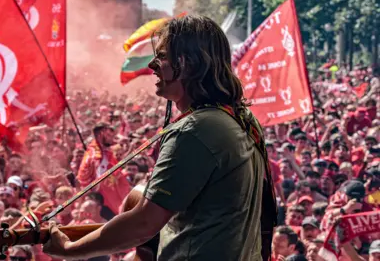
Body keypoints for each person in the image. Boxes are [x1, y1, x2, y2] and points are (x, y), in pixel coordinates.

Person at [42, 15, 275, 261]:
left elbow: (143, 223)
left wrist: (69, 251)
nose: (153, 64)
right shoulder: (242, 119)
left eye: (162, 56)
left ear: (189, 64)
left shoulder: (195, 130)